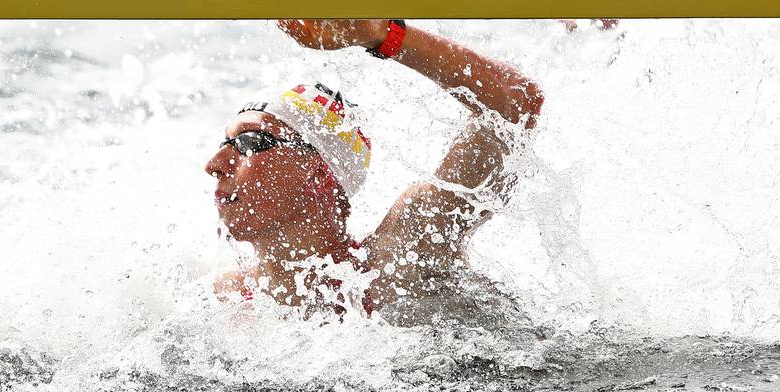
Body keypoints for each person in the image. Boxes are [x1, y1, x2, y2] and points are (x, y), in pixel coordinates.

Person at [205, 19, 543, 319]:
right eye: (224, 143)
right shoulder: (225, 298)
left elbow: (516, 104)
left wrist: (385, 34)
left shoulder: (397, 262)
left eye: (249, 141)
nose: (214, 164)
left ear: (319, 173)